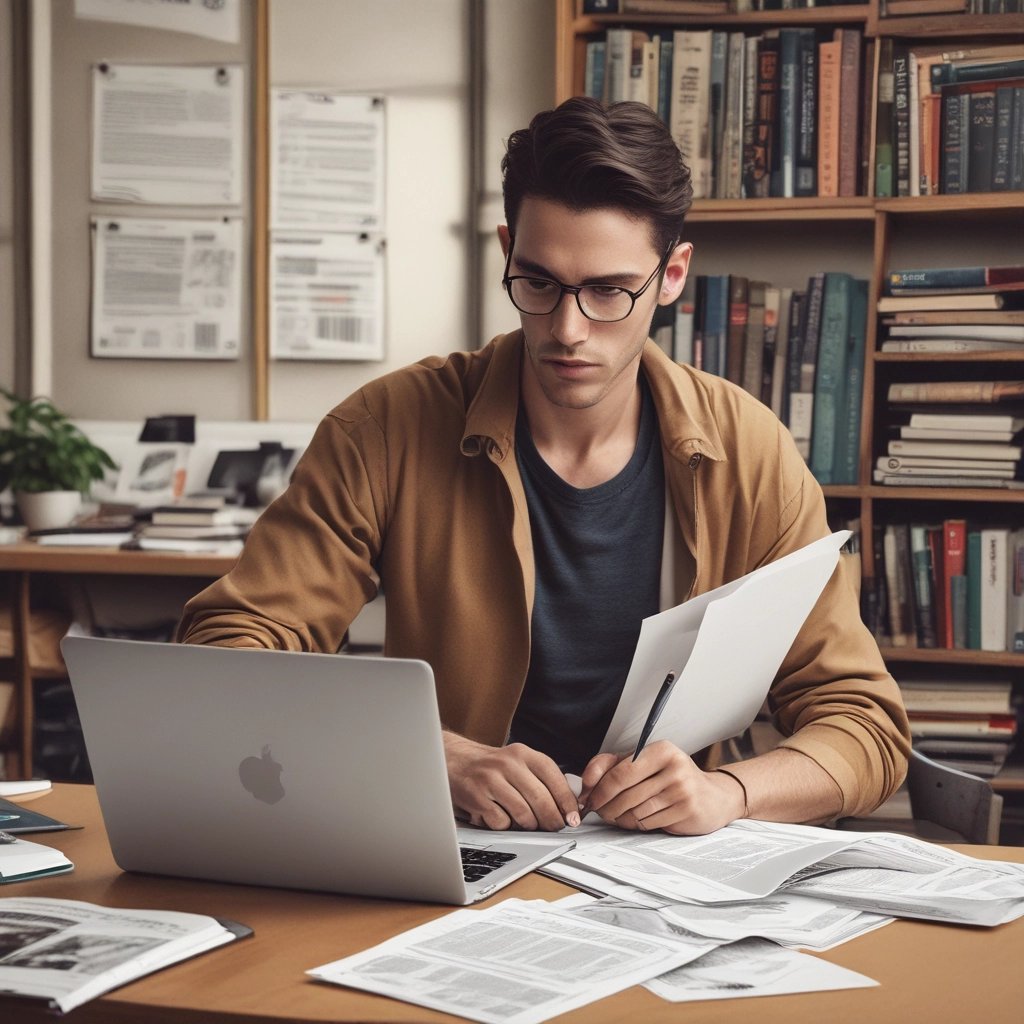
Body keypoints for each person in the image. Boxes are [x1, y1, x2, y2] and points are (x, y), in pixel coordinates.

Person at [178, 97, 910, 836]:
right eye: (539, 283)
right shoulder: (387, 427)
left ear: (672, 275)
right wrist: (426, 752)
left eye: (608, 291)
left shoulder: (749, 451)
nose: (568, 329)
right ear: (507, 251)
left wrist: (729, 793)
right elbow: (225, 654)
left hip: (663, 865)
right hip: (451, 844)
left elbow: (866, 727)